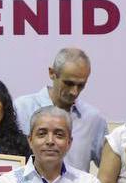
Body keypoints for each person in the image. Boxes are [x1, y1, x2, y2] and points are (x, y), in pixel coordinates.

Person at [14, 47, 108, 175]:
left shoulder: (93, 119)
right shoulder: (22, 108)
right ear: (52, 73)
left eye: (81, 85)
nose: (74, 92)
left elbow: (109, 169)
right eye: (68, 83)